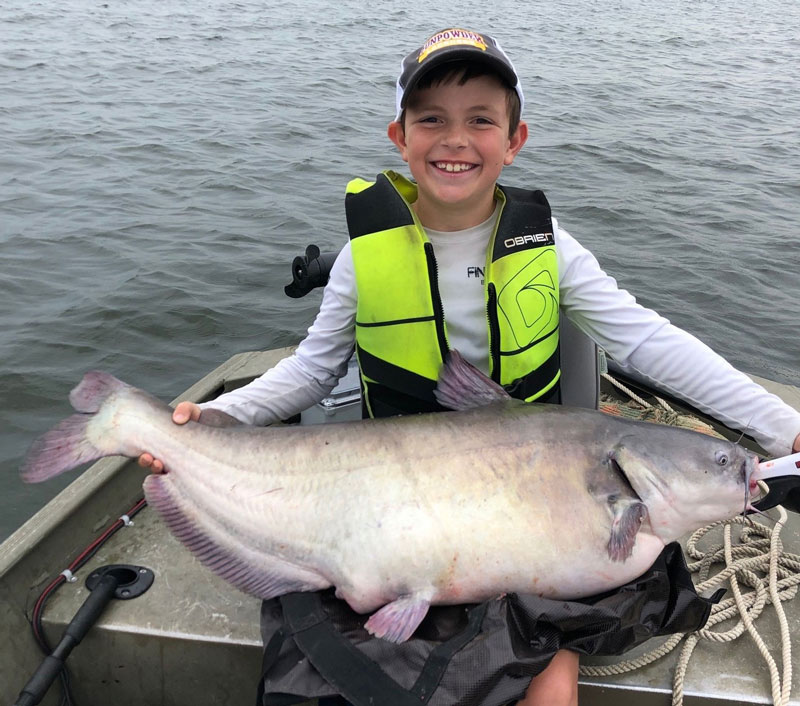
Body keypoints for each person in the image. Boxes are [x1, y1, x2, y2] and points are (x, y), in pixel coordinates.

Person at [139, 28, 800, 706]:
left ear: (514, 140)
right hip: (387, 495)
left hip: (534, 499)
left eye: (480, 120)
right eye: (432, 119)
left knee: (550, 669)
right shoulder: (359, 260)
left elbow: (650, 344)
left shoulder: (556, 251)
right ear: (399, 136)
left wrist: (785, 429)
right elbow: (312, 371)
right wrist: (213, 419)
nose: (455, 139)